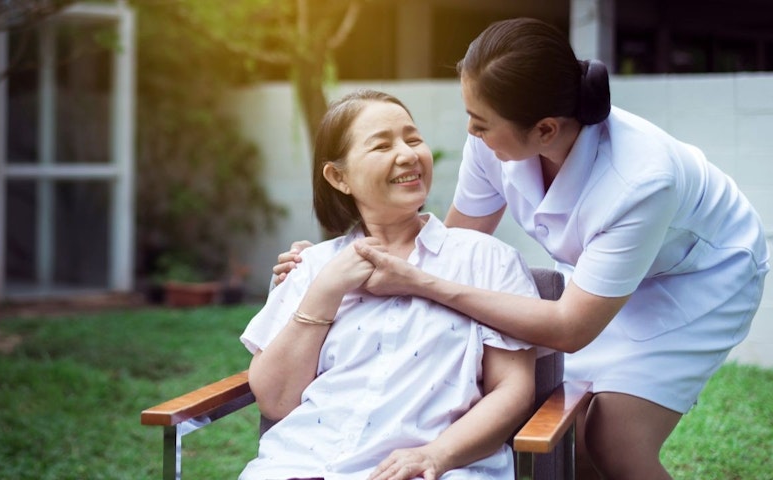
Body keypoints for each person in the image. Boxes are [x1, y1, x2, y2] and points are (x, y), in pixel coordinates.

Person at [272, 18, 770, 480]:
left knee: (615, 441)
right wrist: (324, 267)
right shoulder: (493, 134)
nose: (470, 131)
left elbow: (570, 328)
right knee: (570, 424)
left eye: (480, 122)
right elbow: (448, 245)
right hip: (607, 274)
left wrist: (419, 281)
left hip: (698, 277)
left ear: (545, 130)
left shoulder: (641, 178)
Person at [240, 89, 540, 480]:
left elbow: (514, 389)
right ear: (339, 177)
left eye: (413, 139)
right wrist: (324, 291)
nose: (408, 154)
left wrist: (437, 455)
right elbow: (276, 401)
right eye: (382, 145)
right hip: (300, 466)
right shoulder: (311, 266)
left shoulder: (487, 260)